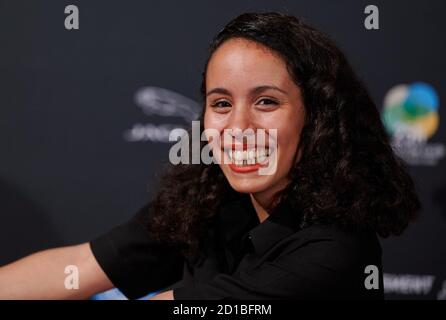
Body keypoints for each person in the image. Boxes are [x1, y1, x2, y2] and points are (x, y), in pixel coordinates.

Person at [0, 12, 420, 300]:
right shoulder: (210, 204)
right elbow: (77, 266)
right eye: (221, 104)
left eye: (267, 102)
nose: (238, 128)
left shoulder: (334, 253)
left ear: (317, 119)